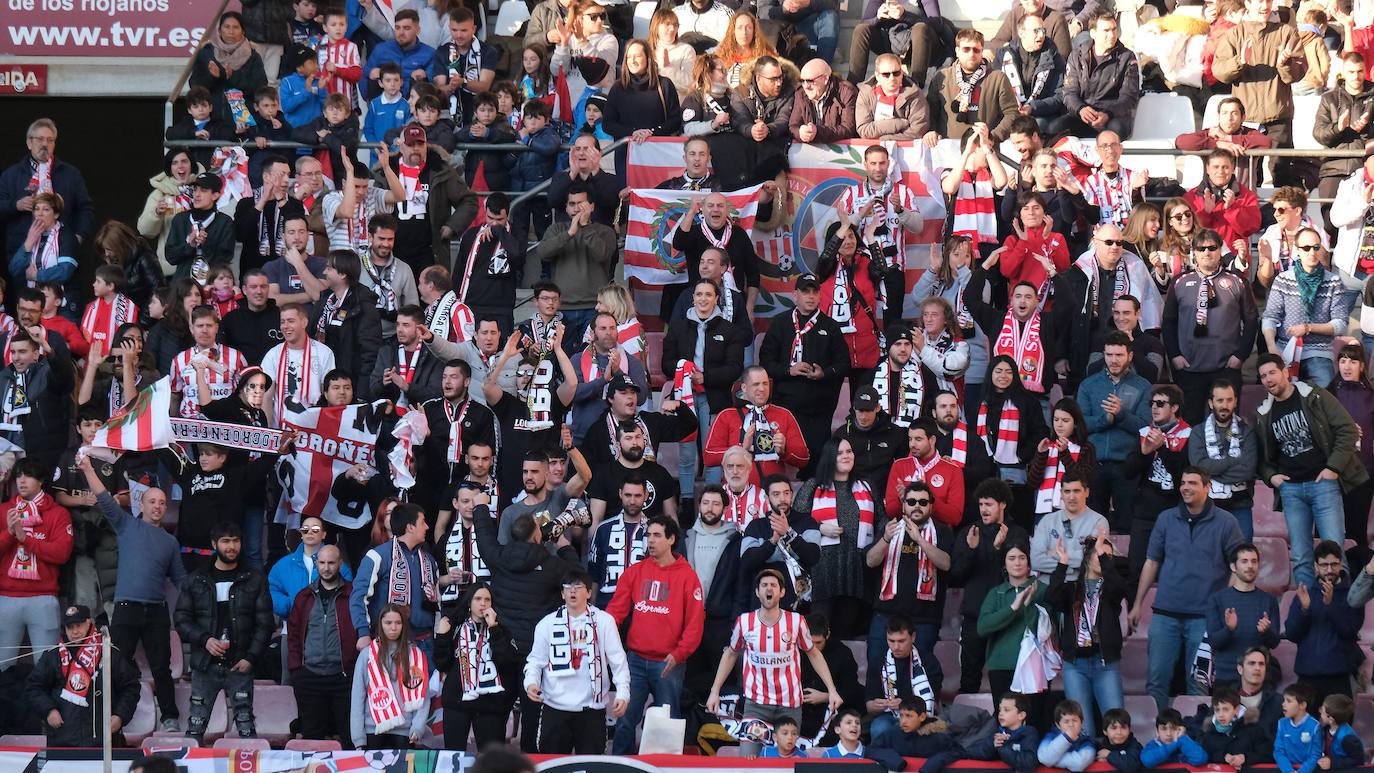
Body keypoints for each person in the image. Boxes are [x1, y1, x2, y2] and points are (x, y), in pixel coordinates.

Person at [77, 454, 185, 733]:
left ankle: (170, 718)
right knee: (115, 665)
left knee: (162, 667)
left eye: (162, 502)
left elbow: (181, 579)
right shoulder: (126, 525)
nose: (158, 506)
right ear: (142, 504)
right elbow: (103, 497)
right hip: (126, 609)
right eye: (153, 501)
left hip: (157, 611)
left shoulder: (170, 542)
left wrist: (203, 602)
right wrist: (88, 468)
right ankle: (108, 716)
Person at [1129, 467, 1244, 711]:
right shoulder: (1166, 518)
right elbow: (1151, 562)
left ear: (1207, 486)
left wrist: (1225, 603)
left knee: (1199, 686)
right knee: (1156, 682)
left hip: (1204, 619)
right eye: (1183, 483)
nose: (1185, 487)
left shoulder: (1227, 522)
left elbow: (1238, 566)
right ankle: (1156, 740)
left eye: (1192, 483)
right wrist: (1137, 604)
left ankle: (1196, 740)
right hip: (1164, 614)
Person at [705, 569, 843, 759]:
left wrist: (832, 689)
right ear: (757, 592)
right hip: (756, 704)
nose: (768, 589)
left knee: (787, 763)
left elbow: (813, 654)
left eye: (773, 585)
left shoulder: (796, 621)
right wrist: (714, 691)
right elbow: (730, 654)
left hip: (789, 704)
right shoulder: (744, 622)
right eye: (764, 585)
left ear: (782, 592)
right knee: (748, 762)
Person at [1256, 352, 1364, 588]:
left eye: (1272, 372)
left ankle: (1338, 615)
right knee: (1301, 558)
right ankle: (1308, 612)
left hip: (1323, 484)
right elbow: (1262, 459)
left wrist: (1333, 468)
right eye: (1263, 376)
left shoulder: (1313, 395)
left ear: (1286, 371)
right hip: (1291, 491)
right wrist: (1271, 477)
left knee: (1335, 553)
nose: (1268, 379)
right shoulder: (1264, 412)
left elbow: (1348, 429)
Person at [605, 516, 704, 754]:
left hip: (669, 663)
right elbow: (615, 611)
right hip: (635, 660)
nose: (650, 540)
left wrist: (680, 653)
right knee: (625, 720)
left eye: (657, 535)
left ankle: (666, 770)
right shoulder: (635, 571)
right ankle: (619, 768)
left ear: (671, 539)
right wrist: (601, 637)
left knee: (666, 726)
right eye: (648, 535)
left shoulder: (687, 576)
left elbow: (695, 623)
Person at [174, 521, 274, 742]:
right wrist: (205, 639)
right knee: (195, 728)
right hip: (204, 665)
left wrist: (251, 657)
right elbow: (180, 620)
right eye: (226, 541)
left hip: (240, 665)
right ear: (214, 544)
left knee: (247, 729)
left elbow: (265, 623)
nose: (231, 547)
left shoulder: (255, 578)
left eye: (236, 541)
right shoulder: (196, 579)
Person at [524, 570, 630, 754]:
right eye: (568, 587)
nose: (572, 591)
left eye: (578, 587)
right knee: (552, 765)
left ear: (589, 592)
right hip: (554, 707)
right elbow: (535, 662)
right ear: (562, 594)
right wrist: (531, 683)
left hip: (591, 709)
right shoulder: (546, 624)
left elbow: (618, 661)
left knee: (592, 766)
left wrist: (623, 693)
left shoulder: (604, 621)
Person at [864, 486, 950, 709]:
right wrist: (885, 538)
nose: (917, 507)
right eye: (911, 502)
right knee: (876, 665)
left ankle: (919, 717)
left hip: (924, 619)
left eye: (923, 502)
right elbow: (871, 561)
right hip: (886, 616)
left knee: (919, 673)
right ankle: (879, 720)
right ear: (903, 504)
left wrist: (919, 540)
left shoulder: (942, 531)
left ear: (931, 505)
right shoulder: (889, 527)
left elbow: (946, 564)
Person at [1162, 230, 1258, 425]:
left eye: (1212, 248)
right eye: (1201, 248)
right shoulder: (1179, 282)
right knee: (1189, 425)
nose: (1207, 252)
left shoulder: (1237, 281)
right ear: (1193, 252)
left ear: (1220, 250)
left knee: (1228, 423)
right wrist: (1175, 356)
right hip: (1189, 368)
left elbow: (1251, 320)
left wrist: (1240, 356)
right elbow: (1168, 321)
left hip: (1226, 368)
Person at [25, 604, 140, 748]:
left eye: (78, 625)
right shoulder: (53, 655)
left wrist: (120, 716)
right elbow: (34, 687)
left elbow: (131, 687)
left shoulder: (108, 652)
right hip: (63, 741)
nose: (74, 631)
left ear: (89, 623)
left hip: (103, 741)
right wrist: (49, 710)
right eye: (70, 627)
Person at [1212, 0, 1307, 170]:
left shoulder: (1287, 32)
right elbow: (1219, 72)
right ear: (1247, 3)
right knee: (1248, 177)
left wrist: (1286, 64)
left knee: (1282, 173)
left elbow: (1298, 74)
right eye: (1260, 2)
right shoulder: (1234, 34)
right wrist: (1240, 61)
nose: (1265, 6)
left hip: (1279, 116)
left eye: (1269, 1)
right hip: (1245, 119)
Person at [376, 123, 478, 273]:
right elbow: (375, 208)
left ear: (426, 145)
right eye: (410, 144)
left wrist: (452, 226)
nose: (415, 148)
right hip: (393, 249)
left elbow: (469, 201)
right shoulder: (386, 172)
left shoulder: (440, 170)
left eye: (420, 143)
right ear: (401, 147)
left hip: (430, 251)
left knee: (430, 295)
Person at [1076, 331, 1150, 532]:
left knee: (1127, 526)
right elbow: (1080, 425)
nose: (1114, 360)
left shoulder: (1143, 387)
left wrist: (1120, 415)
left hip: (1127, 466)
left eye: (1119, 355)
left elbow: (1145, 426)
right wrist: (1105, 419)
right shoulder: (1088, 385)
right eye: (1109, 355)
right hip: (1094, 464)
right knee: (1091, 528)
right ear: (1103, 355)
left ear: (1130, 356)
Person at [286, 543, 358, 747]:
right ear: (316, 563)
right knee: (311, 739)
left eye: (332, 563)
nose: (326, 568)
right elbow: (293, 634)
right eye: (322, 563)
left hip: (344, 677)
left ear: (341, 564)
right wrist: (296, 670)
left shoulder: (354, 595)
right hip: (310, 677)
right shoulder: (304, 596)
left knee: (350, 737)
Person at [966, 355, 1049, 530]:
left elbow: (1041, 432)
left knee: (1018, 524)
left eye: (1008, 372)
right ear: (990, 374)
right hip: (985, 472)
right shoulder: (979, 402)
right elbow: (972, 435)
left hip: (1017, 474)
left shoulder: (1028, 401)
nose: (1003, 376)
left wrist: (1021, 454)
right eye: (998, 371)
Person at [434, 583, 519, 751]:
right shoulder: (455, 627)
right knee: (453, 756)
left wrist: (493, 628)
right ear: (469, 602)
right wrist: (442, 636)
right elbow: (441, 664)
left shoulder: (501, 630)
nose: (483, 604)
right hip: (458, 703)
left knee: (491, 760)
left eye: (487, 599)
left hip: (490, 706)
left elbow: (507, 662)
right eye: (478, 599)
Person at [351, 503, 439, 658]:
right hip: (390, 643)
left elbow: (437, 601)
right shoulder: (377, 555)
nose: (427, 527)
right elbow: (358, 596)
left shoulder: (429, 559)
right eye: (422, 522)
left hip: (427, 644)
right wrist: (363, 632)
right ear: (410, 527)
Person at [0, 118, 95, 257]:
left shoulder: (71, 174)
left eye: (50, 140)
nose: (45, 144)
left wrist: (78, 236)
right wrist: (16, 205)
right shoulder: (11, 175)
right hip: (23, 250)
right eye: (40, 139)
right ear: (29, 143)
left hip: (61, 251)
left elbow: (85, 209)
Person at [1283, 540, 1363, 704]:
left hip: (1338, 677)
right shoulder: (1305, 594)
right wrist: (1304, 610)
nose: (1329, 570)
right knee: (1305, 730)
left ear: (1341, 564)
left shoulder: (1353, 595)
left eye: (1334, 565)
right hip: (1307, 677)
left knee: (1341, 729)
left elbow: (1349, 630)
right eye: (1324, 565)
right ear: (1316, 567)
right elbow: (1292, 634)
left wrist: (1330, 606)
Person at [978, 540, 1050, 712]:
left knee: (1035, 722)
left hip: (1036, 668)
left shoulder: (1042, 590)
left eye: (1022, 558)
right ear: (1004, 563)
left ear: (1029, 563)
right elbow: (982, 627)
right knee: (1004, 722)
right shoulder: (996, 593)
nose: (1017, 562)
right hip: (1002, 666)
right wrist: (1013, 608)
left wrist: (1029, 606)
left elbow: (1049, 628)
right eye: (1011, 558)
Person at [350, 602, 431, 749]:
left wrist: (417, 729)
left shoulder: (416, 655)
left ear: (403, 625)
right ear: (380, 624)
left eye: (398, 623)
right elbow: (357, 698)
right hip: (372, 730)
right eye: (388, 623)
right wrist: (358, 738)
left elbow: (423, 698)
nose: (393, 627)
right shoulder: (366, 655)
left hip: (405, 732)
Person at [964, 267, 1053, 400]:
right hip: (1000, 397)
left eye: (1028, 297)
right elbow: (970, 299)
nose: (1022, 301)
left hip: (1036, 399)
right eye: (1018, 296)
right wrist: (985, 267)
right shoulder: (996, 320)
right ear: (1011, 301)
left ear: (1036, 302)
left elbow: (1069, 305)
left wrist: (1053, 274)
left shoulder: (1047, 323)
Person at [740, 473, 823, 612]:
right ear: (766, 498)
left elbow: (813, 556)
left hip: (800, 604)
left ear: (792, 494)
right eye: (776, 494)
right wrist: (772, 542)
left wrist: (788, 533)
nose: (782, 499)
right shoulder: (755, 526)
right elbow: (747, 562)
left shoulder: (807, 522)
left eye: (786, 493)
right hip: (763, 604)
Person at [1187, 380, 1259, 540]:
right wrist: (1233, 461)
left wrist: (1213, 473)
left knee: (1241, 556)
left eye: (1229, 400)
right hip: (1207, 505)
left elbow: (1247, 470)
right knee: (1206, 556)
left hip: (1241, 504)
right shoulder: (1198, 432)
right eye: (1220, 400)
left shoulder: (1247, 432)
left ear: (1235, 401)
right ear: (1211, 403)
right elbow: (1199, 468)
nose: (1224, 405)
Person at [1206, 543, 1282, 688]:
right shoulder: (1217, 599)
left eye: (1254, 561)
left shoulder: (1269, 600)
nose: (1250, 566)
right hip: (1226, 679)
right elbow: (1213, 642)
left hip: (1260, 680)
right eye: (1244, 561)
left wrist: (1266, 632)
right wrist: (1229, 629)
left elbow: (1274, 643)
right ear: (1233, 567)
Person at [926, 29, 1020, 145]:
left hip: (985, 150)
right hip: (949, 147)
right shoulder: (941, 77)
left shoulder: (998, 78)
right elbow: (931, 112)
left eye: (976, 50)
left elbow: (1012, 113)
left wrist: (992, 138)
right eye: (966, 49)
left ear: (982, 52)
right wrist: (931, 131)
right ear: (957, 51)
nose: (971, 54)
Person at [1314, 54, 1374, 236]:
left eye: (1360, 71)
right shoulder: (1329, 98)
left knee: (1363, 227)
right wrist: (1338, 128)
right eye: (1351, 72)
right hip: (1333, 168)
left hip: (1363, 169)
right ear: (1343, 73)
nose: (1356, 76)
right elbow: (1318, 134)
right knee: (1330, 225)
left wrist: (1367, 131)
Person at [0, 329, 74, 473]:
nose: (16, 357)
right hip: (6, 447)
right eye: (13, 352)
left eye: (22, 352)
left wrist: (45, 345)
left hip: (42, 455)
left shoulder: (47, 373)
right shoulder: (4, 377)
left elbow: (65, 378)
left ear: (35, 354)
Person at [312, 250, 384, 391]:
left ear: (342, 274)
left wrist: (362, 391)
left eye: (329, 268)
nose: (325, 272)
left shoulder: (363, 306)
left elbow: (370, 354)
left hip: (348, 386)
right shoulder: (324, 301)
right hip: (320, 379)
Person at [1061, 12, 1140, 138]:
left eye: (1114, 30)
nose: (1112, 35)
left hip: (1113, 117)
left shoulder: (1127, 57)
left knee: (1115, 131)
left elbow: (1129, 98)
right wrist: (1081, 109)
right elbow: (1069, 92)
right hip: (1083, 115)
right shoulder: (1077, 55)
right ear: (1093, 33)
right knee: (1055, 128)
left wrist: (1107, 114)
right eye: (1106, 30)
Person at [453, 196, 519, 335]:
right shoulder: (471, 235)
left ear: (508, 215)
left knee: (501, 355)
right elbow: (459, 270)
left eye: (499, 220)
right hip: (471, 306)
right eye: (490, 218)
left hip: (501, 309)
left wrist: (499, 232)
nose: (494, 223)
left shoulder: (516, 234)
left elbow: (517, 256)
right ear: (485, 212)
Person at [1177, 97, 1273, 191]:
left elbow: (1267, 142)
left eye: (1234, 113)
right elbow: (1181, 142)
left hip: (1243, 199)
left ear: (1243, 117)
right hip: (1213, 197)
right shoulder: (1210, 133)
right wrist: (1216, 144)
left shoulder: (1250, 133)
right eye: (1224, 113)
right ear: (1219, 116)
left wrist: (1228, 138)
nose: (1229, 118)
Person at [1183, 149, 1262, 264]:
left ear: (1233, 169)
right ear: (1207, 169)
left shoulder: (1246, 195)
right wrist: (1206, 213)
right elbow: (1186, 231)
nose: (1220, 171)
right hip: (1200, 263)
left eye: (1225, 167)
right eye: (1216, 167)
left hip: (1234, 263)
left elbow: (1250, 229)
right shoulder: (1191, 197)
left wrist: (1232, 208)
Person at [1029, 470, 1109, 579]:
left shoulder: (1099, 522)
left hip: (1081, 587)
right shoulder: (1047, 521)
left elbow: (1093, 560)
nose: (1072, 497)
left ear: (1087, 492)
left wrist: (1055, 554)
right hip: (1048, 587)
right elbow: (1035, 561)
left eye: (1076, 491)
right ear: (1061, 493)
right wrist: (1070, 566)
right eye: (1067, 491)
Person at [887, 420, 965, 527]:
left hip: (938, 536)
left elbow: (955, 517)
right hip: (904, 533)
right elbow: (890, 513)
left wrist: (926, 499)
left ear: (932, 440)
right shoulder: (899, 466)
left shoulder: (953, 470)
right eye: (910, 439)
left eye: (918, 439)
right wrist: (903, 501)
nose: (912, 445)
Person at [856, 54, 932, 141]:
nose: (892, 78)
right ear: (877, 76)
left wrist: (886, 138)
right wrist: (899, 123)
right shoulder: (865, 94)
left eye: (896, 73)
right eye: (886, 74)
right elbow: (864, 130)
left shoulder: (915, 94)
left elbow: (918, 131)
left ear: (902, 73)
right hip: (874, 151)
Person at [967, 692, 1042, 773]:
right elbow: (972, 752)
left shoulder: (1030, 734)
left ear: (1021, 715)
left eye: (1006, 710)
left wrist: (1003, 748)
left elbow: (1029, 764)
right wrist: (993, 745)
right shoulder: (999, 733)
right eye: (1000, 710)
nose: (1001, 714)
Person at [1197, 686, 1271, 767]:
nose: (1221, 715)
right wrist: (1223, 757)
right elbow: (1202, 758)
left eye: (1225, 709)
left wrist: (1245, 758)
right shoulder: (1209, 736)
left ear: (1236, 710)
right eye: (1217, 710)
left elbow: (1267, 755)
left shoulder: (1254, 731)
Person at [790, 59, 858, 144]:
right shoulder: (800, 93)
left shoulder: (847, 92)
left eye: (810, 81)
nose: (805, 86)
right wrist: (800, 132)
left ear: (825, 78)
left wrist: (818, 132)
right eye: (802, 81)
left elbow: (848, 129)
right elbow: (793, 126)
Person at [1274, 684, 1324, 773]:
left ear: (1302, 705)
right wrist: (1289, 771)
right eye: (1284, 700)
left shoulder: (1314, 726)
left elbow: (1315, 755)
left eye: (1288, 701)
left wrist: (1301, 772)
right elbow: (1278, 752)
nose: (1283, 704)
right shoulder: (1282, 723)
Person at [1037, 700, 1097, 772]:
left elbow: (1079, 764)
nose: (1071, 725)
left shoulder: (1087, 741)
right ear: (1058, 725)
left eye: (1074, 720)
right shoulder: (1050, 737)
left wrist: (1053, 761)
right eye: (1066, 721)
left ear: (1082, 722)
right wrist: (1066, 738)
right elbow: (1044, 758)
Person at [1141, 709, 1209, 767]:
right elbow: (1147, 761)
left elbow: (1200, 759)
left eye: (1173, 728)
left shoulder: (1185, 743)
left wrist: (1182, 738)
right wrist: (1173, 745)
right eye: (1164, 729)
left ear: (1180, 729)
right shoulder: (1153, 745)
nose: (1169, 734)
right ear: (1157, 732)